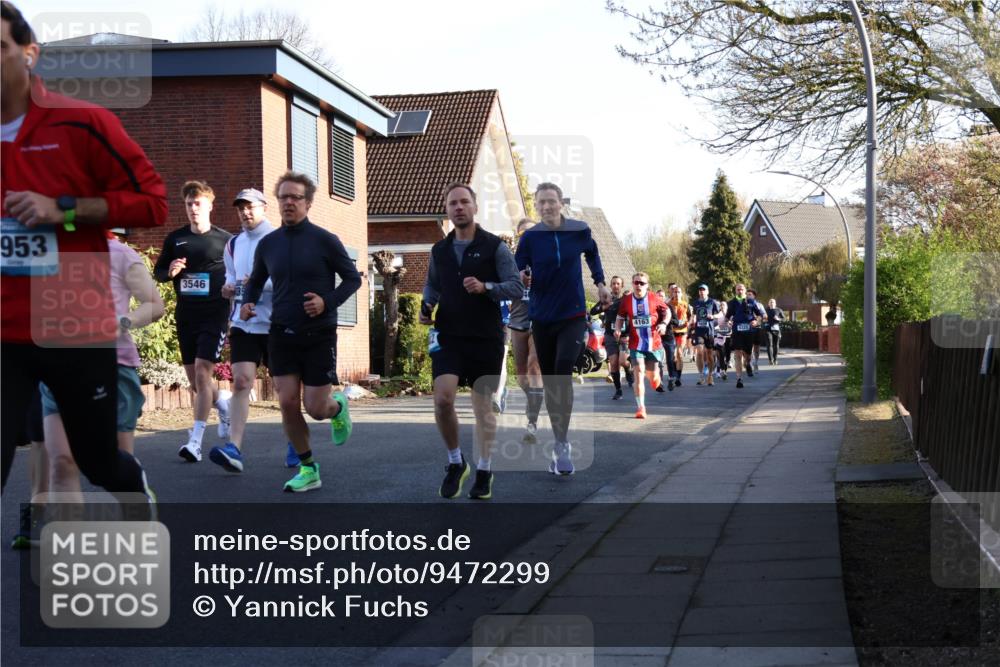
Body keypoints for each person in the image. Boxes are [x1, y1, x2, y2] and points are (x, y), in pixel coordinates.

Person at [1, 3, 166, 508]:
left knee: (97, 460)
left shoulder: (83, 123)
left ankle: (131, 489)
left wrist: (65, 209)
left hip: (74, 327)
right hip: (4, 334)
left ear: (29, 54)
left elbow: (152, 203)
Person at [241, 171, 360, 493]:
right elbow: (255, 280)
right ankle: (308, 468)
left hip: (318, 334)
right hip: (281, 332)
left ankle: (338, 407)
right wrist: (248, 302)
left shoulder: (325, 240)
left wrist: (326, 302)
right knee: (287, 402)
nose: (289, 202)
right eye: (284, 197)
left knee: (316, 409)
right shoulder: (268, 244)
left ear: (308, 203)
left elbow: (353, 279)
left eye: (295, 197)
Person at [39, 232, 165, 503]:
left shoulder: (120, 254)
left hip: (114, 365)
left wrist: (123, 322)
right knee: (62, 463)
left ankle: (136, 509)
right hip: (58, 365)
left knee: (114, 467)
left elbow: (155, 305)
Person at [420, 183, 522, 500]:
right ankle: (456, 462)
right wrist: (426, 305)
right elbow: (432, 286)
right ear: (447, 210)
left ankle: (484, 470)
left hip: (485, 337)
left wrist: (486, 287)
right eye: (453, 203)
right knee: (442, 399)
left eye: (465, 202)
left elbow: (516, 287)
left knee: (483, 408)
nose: (459, 207)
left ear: (475, 207)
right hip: (448, 334)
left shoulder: (495, 247)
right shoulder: (439, 250)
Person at [514, 182, 609, 476]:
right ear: (536, 206)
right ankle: (560, 441)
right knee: (552, 380)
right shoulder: (530, 238)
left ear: (560, 203)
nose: (546, 206)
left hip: (573, 314)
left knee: (563, 371)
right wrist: (522, 276)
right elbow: (518, 266)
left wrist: (600, 283)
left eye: (551, 201)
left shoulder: (578, 231)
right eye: (541, 202)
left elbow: (592, 253)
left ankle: (563, 446)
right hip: (542, 317)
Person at [209, 188, 291, 473]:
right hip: (243, 323)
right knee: (242, 382)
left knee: (283, 388)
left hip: (276, 323)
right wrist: (228, 288)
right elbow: (231, 278)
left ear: (264, 208)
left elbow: (288, 281)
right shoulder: (233, 244)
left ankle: (295, 441)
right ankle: (234, 448)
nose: (245, 212)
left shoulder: (280, 239)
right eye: (240, 208)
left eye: (250, 207)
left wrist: (257, 284)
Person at [154, 180, 233, 463]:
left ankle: (195, 441)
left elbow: (241, 274)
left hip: (215, 314)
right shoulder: (175, 239)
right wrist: (171, 271)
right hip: (186, 316)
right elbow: (158, 273)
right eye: (189, 204)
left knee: (202, 372)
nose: (193, 208)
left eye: (198, 203)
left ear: (210, 206)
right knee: (197, 384)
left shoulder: (226, 241)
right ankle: (223, 404)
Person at [508, 219, 544, 443]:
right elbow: (501, 288)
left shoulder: (546, 259)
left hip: (540, 319)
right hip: (518, 320)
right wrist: (516, 280)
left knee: (533, 365)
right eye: (523, 234)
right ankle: (534, 397)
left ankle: (532, 422)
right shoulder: (510, 261)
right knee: (521, 376)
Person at [614, 272, 668, 419]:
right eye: (636, 282)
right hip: (635, 344)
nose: (638, 285)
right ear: (632, 283)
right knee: (638, 374)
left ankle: (656, 379)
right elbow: (620, 317)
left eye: (642, 283)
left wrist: (663, 324)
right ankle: (641, 407)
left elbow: (667, 312)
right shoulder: (626, 300)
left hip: (653, 344)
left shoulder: (653, 298)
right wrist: (618, 328)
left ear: (647, 285)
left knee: (653, 377)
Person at [590, 275, 627, 399]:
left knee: (623, 361)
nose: (615, 286)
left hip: (624, 335)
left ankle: (628, 370)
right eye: (613, 283)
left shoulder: (626, 299)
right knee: (614, 363)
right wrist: (604, 307)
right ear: (610, 286)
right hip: (610, 335)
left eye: (618, 283)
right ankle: (618, 390)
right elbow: (593, 311)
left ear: (622, 286)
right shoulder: (606, 298)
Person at [726, 283, 760, 389]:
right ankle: (739, 378)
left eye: (741, 289)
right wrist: (728, 322)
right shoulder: (731, 303)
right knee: (738, 354)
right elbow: (728, 317)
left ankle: (748, 363)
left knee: (747, 355)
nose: (740, 291)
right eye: (738, 289)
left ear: (745, 291)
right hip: (737, 331)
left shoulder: (751, 301)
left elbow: (759, 315)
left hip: (749, 332)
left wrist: (756, 322)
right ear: (735, 291)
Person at [690, 284, 721, 386]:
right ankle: (701, 375)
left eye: (703, 290)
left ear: (707, 291)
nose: (702, 292)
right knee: (699, 352)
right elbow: (694, 315)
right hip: (699, 330)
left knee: (709, 354)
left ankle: (710, 375)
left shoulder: (712, 302)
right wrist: (692, 321)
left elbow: (720, 314)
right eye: (700, 290)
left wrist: (713, 316)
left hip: (709, 331)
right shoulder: (696, 302)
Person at [667, 284, 689, 389]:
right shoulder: (668, 304)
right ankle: (674, 373)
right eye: (675, 292)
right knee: (673, 355)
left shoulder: (685, 304)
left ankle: (678, 377)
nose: (676, 294)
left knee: (679, 353)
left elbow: (690, 316)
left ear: (681, 294)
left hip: (682, 331)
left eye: (678, 292)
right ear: (672, 293)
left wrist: (688, 323)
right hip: (672, 331)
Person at [746, 288, 767, 373]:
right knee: (748, 347)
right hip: (747, 328)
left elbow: (764, 315)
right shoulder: (744, 303)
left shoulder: (759, 305)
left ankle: (756, 362)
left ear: (754, 296)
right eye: (747, 294)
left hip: (757, 328)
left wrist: (758, 320)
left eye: (750, 294)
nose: (747, 296)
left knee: (756, 347)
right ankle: (749, 363)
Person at [764, 298, 785, 365]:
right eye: (770, 302)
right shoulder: (765, 310)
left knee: (776, 345)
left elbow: (784, 319)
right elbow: (761, 318)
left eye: (773, 302)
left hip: (776, 329)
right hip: (768, 329)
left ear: (775, 304)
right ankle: (770, 360)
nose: (772, 303)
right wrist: (763, 320)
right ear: (768, 304)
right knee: (769, 344)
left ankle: (775, 359)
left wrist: (778, 319)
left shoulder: (779, 310)